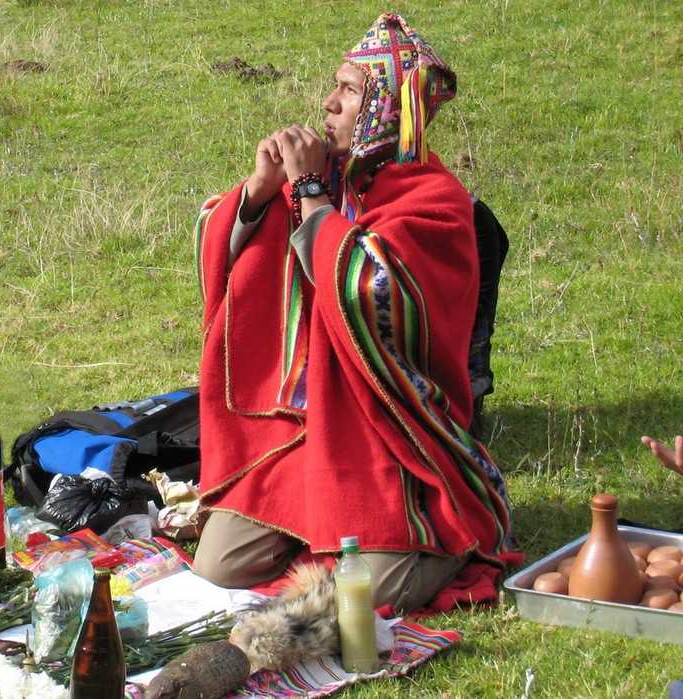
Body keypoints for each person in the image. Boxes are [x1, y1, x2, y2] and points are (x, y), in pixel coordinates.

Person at [191, 13, 521, 611]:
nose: (328, 102)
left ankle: (446, 542)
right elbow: (222, 249)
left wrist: (312, 194)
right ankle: (328, 533)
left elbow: (365, 290)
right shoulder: (324, 183)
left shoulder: (436, 202)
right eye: (335, 86)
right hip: (304, 430)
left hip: (391, 437)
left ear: (387, 109)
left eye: (349, 90)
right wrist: (261, 192)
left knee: (357, 601)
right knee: (219, 567)